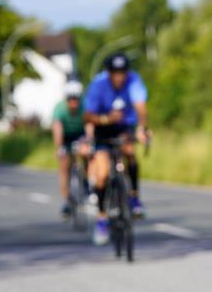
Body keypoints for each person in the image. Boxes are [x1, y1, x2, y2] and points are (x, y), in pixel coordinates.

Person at [83, 52, 150, 246]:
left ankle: (134, 198)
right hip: (103, 128)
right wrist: (105, 119)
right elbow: (87, 116)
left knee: (130, 152)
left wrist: (141, 129)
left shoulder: (134, 80)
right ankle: (102, 218)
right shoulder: (98, 84)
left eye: (123, 72)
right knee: (102, 174)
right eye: (115, 72)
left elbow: (140, 108)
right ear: (109, 72)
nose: (120, 76)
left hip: (124, 127)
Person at [52, 80, 89, 217]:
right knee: (64, 165)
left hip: (80, 134)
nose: (74, 103)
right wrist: (60, 147)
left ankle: (86, 181)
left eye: (76, 99)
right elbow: (57, 129)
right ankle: (67, 200)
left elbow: (89, 126)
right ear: (66, 99)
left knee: (86, 153)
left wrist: (88, 142)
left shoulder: (85, 106)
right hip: (65, 136)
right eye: (70, 100)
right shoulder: (60, 109)